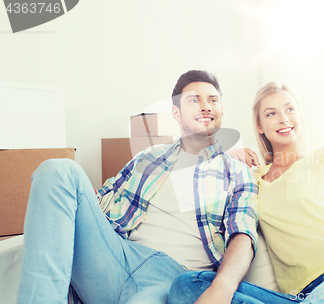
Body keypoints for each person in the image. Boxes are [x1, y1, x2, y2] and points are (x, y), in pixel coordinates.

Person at [168, 8, 324, 304]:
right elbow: (189, 179)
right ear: (260, 126)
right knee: (187, 286)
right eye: (271, 113)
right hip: (304, 296)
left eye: (290, 109)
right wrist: (222, 154)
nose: (283, 118)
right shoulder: (251, 178)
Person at [17, 70, 263, 304]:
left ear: (221, 110)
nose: (205, 106)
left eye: (213, 100)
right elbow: (100, 197)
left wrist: (222, 288)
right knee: (57, 170)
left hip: (172, 276)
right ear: (176, 113)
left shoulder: (237, 172)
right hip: (116, 255)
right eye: (193, 100)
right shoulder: (149, 157)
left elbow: (243, 235)